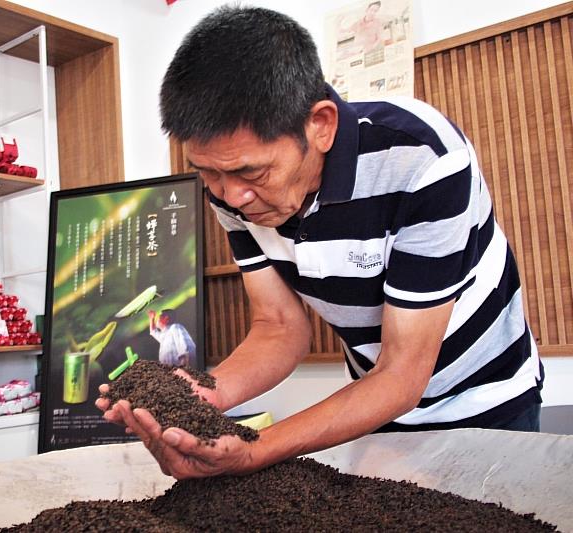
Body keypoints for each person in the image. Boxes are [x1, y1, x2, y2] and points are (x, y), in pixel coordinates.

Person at [96, 6, 543, 480]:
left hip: (487, 397)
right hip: (376, 407)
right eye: (209, 173)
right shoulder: (231, 190)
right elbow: (278, 326)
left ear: (321, 125)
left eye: (251, 172)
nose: (231, 196)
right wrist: (205, 392)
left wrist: (254, 448)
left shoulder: (422, 160)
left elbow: (401, 373)